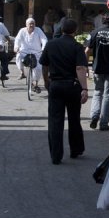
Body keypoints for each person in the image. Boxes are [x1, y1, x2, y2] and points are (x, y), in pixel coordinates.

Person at [40, 19, 89, 165]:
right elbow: (80, 68)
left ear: (61, 30)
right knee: (74, 118)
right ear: (75, 31)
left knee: (55, 121)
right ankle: (75, 149)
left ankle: (56, 155)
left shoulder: (51, 44)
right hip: (72, 85)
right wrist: (85, 88)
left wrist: (46, 81)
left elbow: (44, 65)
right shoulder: (77, 46)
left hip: (55, 85)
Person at [14, 17, 49, 92]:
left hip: (36, 52)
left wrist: (44, 48)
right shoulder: (22, 31)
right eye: (30, 24)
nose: (31, 25)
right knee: (18, 57)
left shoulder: (38, 30)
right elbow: (17, 39)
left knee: (38, 68)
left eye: (33, 24)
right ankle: (22, 72)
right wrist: (16, 47)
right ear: (26, 24)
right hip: (24, 51)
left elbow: (44, 39)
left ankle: (36, 83)